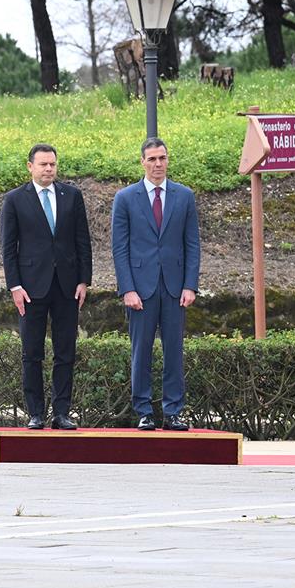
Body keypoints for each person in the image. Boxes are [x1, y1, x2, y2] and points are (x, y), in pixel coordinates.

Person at [0, 143, 92, 430]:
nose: (49, 169)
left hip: (66, 286)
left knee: (66, 351)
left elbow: (83, 242)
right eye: (43, 164)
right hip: (30, 287)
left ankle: (61, 412)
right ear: (30, 167)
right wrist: (14, 285)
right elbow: (8, 248)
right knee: (32, 352)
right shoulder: (15, 200)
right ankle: (36, 413)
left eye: (52, 164)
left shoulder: (72, 196)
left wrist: (83, 280)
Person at [110, 137, 200, 431]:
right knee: (141, 351)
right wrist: (128, 288)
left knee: (174, 351)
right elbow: (119, 248)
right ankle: (144, 410)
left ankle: (173, 411)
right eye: (152, 159)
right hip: (141, 287)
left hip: (175, 287)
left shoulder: (184, 196)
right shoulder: (125, 198)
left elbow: (192, 244)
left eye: (162, 158)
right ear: (142, 162)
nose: (158, 164)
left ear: (167, 159)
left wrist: (190, 285)